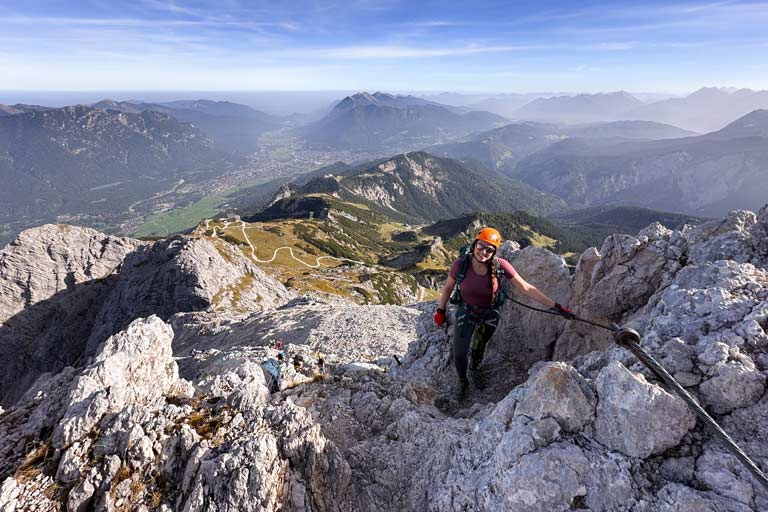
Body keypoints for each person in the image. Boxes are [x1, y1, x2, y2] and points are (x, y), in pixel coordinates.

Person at [433, 227, 575, 400]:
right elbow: (448, 287)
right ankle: (462, 381)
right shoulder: (460, 265)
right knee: (460, 353)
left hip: (489, 314)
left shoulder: (500, 266)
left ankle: (474, 369)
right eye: (481, 246)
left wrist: (556, 306)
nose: (484, 252)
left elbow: (526, 287)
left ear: (494, 252)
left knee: (480, 345)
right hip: (467, 311)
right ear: (474, 245)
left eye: (489, 249)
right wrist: (441, 311)